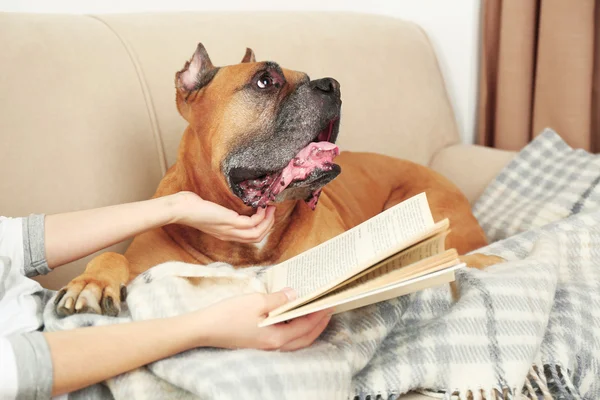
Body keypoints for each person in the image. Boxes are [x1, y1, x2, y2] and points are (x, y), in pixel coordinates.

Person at [0, 191, 332, 399]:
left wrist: (178, 206)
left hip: (71, 321)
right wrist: (203, 327)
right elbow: (21, 370)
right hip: (70, 369)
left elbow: (16, 242)